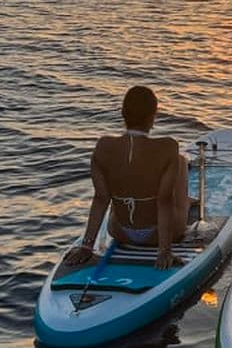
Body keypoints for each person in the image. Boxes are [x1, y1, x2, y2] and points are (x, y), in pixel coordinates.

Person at [63, 86, 192, 270]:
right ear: (153, 115)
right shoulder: (168, 147)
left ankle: (179, 202)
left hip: (119, 232)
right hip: (159, 235)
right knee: (180, 161)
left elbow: (101, 200)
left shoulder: (103, 147)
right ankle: (187, 202)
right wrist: (164, 251)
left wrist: (86, 246)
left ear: (123, 113)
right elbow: (164, 202)